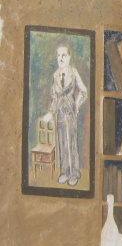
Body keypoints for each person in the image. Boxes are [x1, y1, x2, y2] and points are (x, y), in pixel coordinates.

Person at [43, 46, 87, 187]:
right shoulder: (55, 75)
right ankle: (64, 172)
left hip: (71, 113)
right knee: (62, 141)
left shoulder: (73, 73)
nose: (61, 59)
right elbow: (54, 97)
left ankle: (74, 172)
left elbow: (83, 91)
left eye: (63, 55)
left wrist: (77, 105)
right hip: (60, 115)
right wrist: (51, 112)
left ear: (69, 57)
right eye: (58, 56)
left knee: (72, 142)